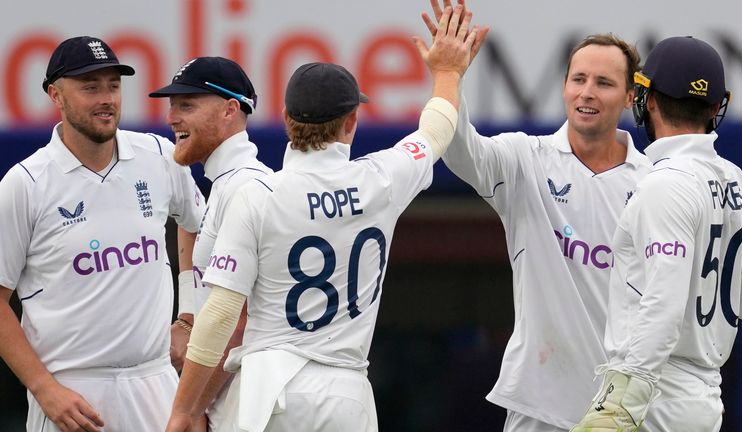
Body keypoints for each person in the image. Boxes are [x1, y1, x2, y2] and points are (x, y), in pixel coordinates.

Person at [165, 5, 486, 432]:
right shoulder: (383, 180)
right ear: (351, 122)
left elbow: (222, 313)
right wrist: (448, 71)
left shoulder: (258, 195)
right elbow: (435, 131)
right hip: (346, 397)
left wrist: (184, 411)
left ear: (285, 120)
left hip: (271, 393)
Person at [421, 1, 651, 430]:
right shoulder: (526, 159)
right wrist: (449, 76)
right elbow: (458, 150)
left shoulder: (654, 183)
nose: (587, 92)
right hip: (540, 405)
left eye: (604, 82)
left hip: (626, 411)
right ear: (563, 86)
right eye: (578, 79)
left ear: (630, 97)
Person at [0, 36, 204, 432]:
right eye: (90, 87)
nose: (106, 98)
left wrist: (189, 315)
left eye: (113, 85)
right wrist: (43, 388)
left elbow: (198, 225)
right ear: (55, 95)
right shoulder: (25, 184)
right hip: (73, 395)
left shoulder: (158, 155)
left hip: (156, 381)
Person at [570, 36, 742, 432]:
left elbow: (665, 302)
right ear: (716, 108)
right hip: (704, 402)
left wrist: (623, 405)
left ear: (649, 100)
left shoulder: (664, 184)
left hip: (651, 401)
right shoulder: (741, 185)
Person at [149, 56, 274, 431]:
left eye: (187, 105)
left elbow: (237, 320)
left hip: (246, 406)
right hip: (237, 401)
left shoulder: (244, 188)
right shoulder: (226, 184)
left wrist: (189, 410)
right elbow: (188, 224)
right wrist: (187, 313)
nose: (172, 117)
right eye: (172, 106)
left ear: (230, 111)